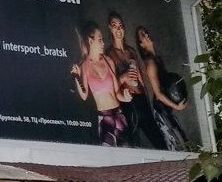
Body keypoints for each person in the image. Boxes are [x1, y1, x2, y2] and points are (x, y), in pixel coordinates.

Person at [106, 11, 166, 149]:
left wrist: (148, 100)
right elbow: (111, 87)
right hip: (127, 103)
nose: (119, 29)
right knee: (134, 142)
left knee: (158, 139)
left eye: (121, 25)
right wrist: (123, 76)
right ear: (110, 28)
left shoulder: (131, 51)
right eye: (114, 26)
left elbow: (141, 80)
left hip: (141, 99)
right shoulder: (109, 54)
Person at [71, 21, 130, 146]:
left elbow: (117, 93)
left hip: (118, 113)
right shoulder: (85, 66)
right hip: (104, 118)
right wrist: (76, 76)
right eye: (100, 40)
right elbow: (84, 95)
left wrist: (126, 97)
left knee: (128, 151)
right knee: (110, 154)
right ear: (90, 41)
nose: (103, 43)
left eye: (103, 40)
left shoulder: (109, 61)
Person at [136, 26, 189, 150]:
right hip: (161, 109)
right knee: (177, 145)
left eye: (146, 32)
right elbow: (158, 94)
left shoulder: (156, 58)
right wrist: (177, 107)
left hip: (165, 107)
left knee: (183, 142)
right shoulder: (150, 63)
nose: (147, 34)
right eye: (143, 35)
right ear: (141, 44)